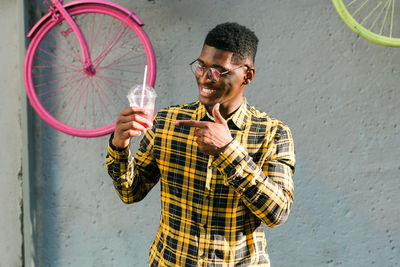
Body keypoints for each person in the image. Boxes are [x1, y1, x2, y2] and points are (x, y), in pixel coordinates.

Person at [106, 22, 295, 266]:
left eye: (219, 70)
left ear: (247, 75)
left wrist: (228, 152)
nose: (205, 77)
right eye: (201, 66)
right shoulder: (166, 123)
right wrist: (119, 146)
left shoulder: (273, 133)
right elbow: (130, 192)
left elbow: (277, 213)